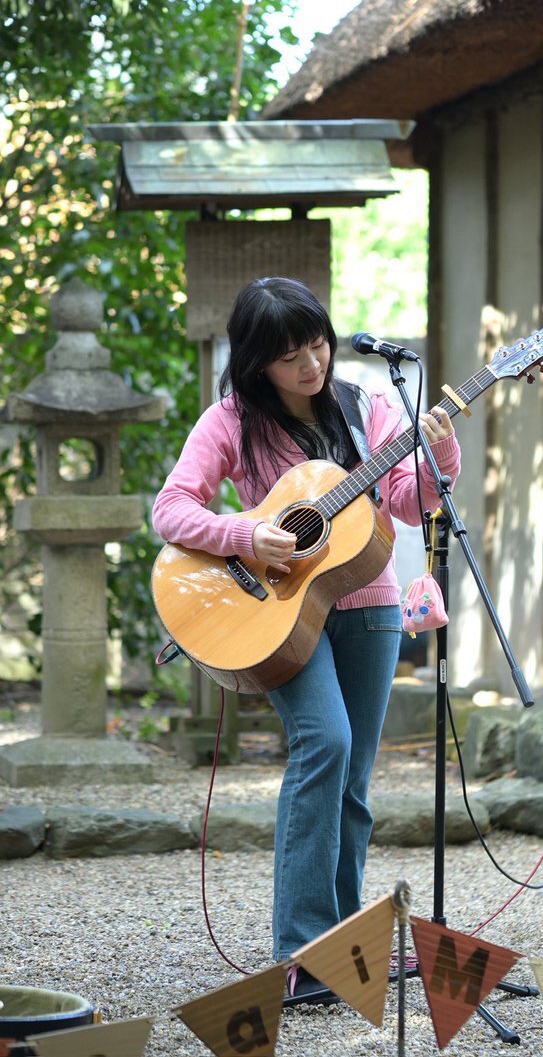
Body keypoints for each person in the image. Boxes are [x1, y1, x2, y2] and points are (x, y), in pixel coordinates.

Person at [152, 276, 460, 1002]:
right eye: (290, 357)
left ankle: (349, 943)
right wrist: (245, 534)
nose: (311, 364)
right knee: (326, 742)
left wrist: (441, 456)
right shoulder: (231, 421)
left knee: (354, 781)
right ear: (258, 361)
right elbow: (172, 508)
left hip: (370, 603)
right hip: (279, 612)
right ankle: (301, 950)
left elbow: (408, 504)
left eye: (317, 345)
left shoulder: (368, 405)